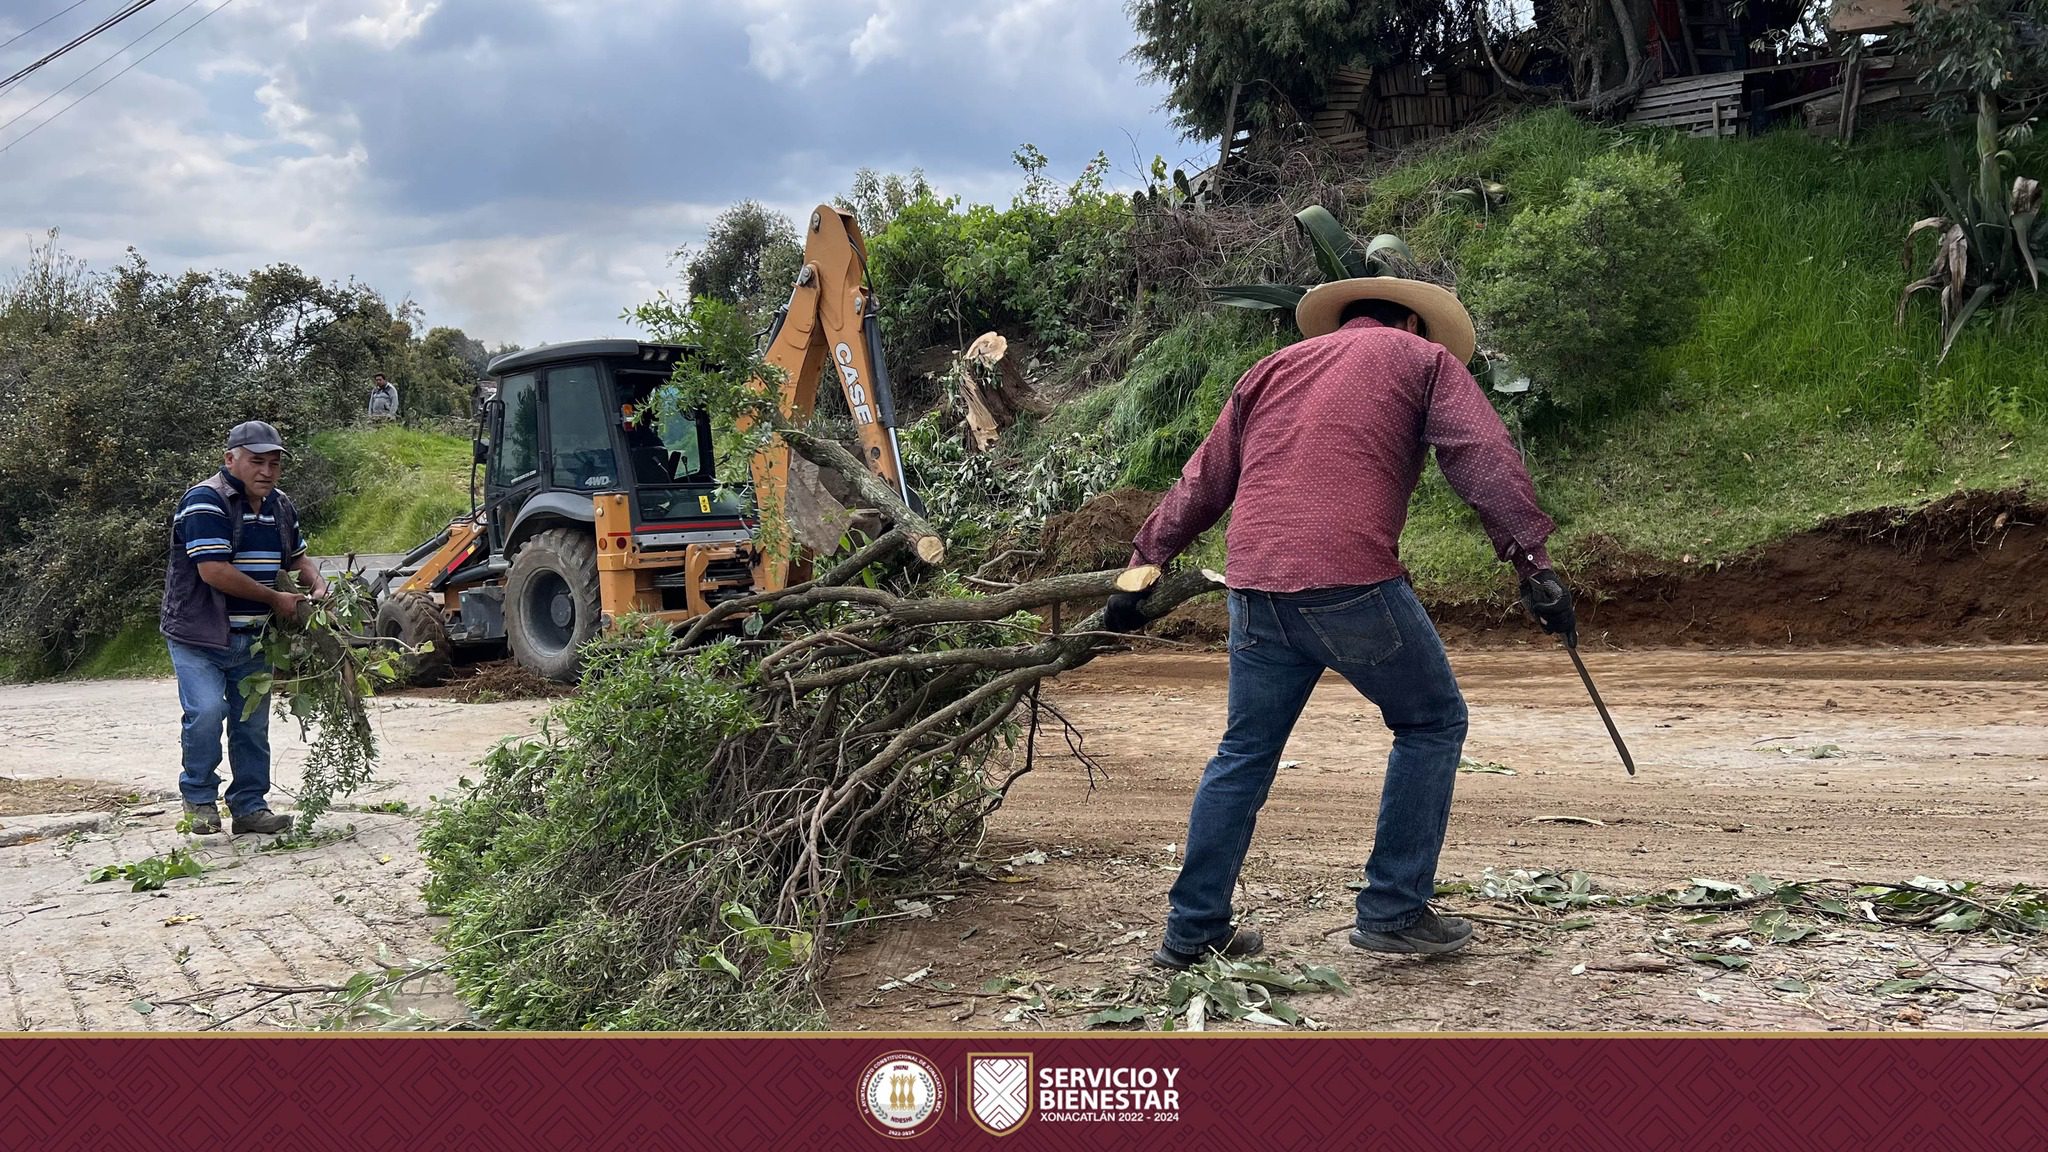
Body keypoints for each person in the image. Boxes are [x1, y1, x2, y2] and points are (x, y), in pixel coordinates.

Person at [1102, 275, 1576, 970]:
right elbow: (1481, 458)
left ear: (1344, 318)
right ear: (1413, 323)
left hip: (1256, 585)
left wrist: (1138, 572)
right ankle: (1393, 910)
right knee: (1431, 723)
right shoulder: (1424, 361)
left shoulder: (1273, 368)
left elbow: (1202, 481)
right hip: (1350, 584)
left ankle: (1191, 934)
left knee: (1244, 754)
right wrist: (1533, 565)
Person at [160, 421, 330, 836]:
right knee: (205, 713)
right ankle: (199, 799)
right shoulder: (205, 502)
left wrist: (320, 586)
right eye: (257, 461)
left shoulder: (280, 506)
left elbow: (297, 559)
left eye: (274, 463)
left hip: (256, 638)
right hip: (200, 635)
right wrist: (275, 599)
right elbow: (214, 571)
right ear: (230, 459)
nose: (267, 471)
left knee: (251, 723)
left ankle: (250, 807)